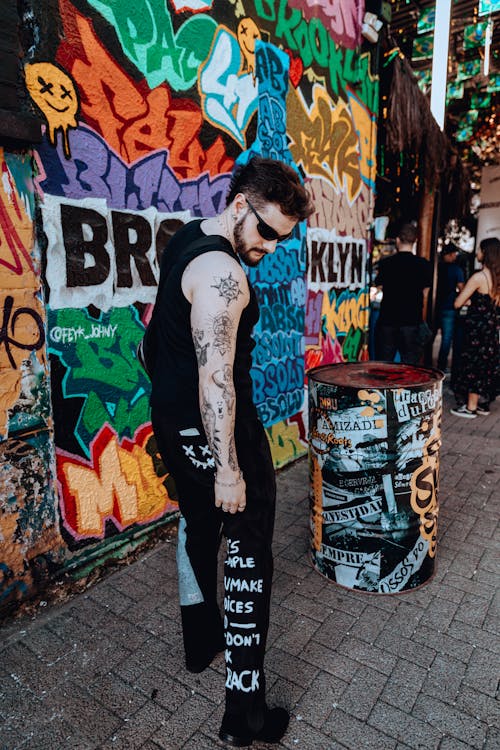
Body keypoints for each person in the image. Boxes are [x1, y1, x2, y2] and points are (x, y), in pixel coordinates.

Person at [144, 156, 313, 746]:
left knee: (196, 524)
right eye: (266, 230)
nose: (269, 247)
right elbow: (217, 378)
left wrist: (166, 415)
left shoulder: (187, 237)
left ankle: (199, 643)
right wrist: (230, 470)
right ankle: (245, 715)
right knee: (248, 553)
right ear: (241, 203)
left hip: (175, 426)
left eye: (283, 239)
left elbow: (155, 331)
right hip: (222, 435)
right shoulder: (225, 275)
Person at [450, 237, 500, 418]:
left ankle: (470, 407)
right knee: (486, 363)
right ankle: (482, 405)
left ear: (485, 254)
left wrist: (470, 301)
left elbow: (458, 303)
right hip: (492, 327)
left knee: (474, 363)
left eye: (479, 250)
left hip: (477, 328)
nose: (477, 253)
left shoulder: (479, 277)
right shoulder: (497, 278)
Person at [374, 221, 433, 365]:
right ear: (415, 241)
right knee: (410, 368)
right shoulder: (423, 264)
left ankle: (385, 388)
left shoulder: (386, 263)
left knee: (384, 367)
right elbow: (425, 292)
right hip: (412, 321)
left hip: (388, 321)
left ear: (398, 240)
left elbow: (379, 287)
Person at [434, 243, 464, 372]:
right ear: (450, 254)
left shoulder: (437, 267)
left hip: (435, 306)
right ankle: (441, 367)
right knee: (446, 339)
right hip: (449, 307)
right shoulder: (457, 270)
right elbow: (462, 288)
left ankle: (426, 362)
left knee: (431, 335)